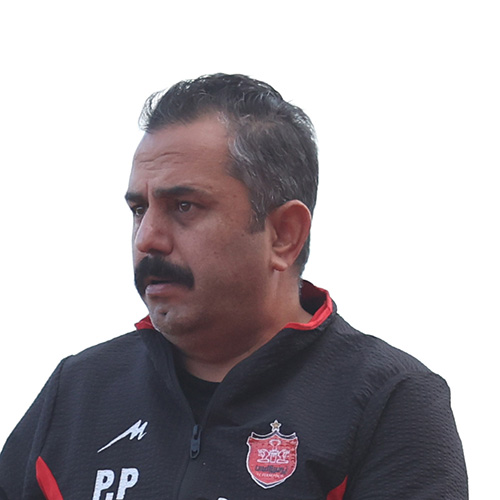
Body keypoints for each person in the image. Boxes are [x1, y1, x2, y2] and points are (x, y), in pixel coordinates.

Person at [0, 74, 467, 500]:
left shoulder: (389, 403)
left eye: (184, 206)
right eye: (139, 210)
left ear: (284, 235)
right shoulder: (78, 392)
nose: (147, 239)